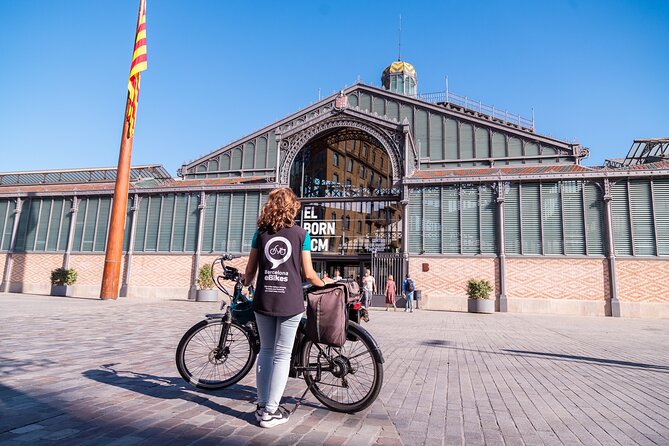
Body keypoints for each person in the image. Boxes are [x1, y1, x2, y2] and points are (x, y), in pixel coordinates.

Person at [243, 188, 326, 428]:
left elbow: (250, 271)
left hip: (263, 300)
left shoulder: (260, 234)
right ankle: (271, 411)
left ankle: (261, 407)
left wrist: (246, 283)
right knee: (282, 354)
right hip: (290, 301)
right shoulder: (302, 234)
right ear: (292, 207)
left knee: (266, 351)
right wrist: (327, 283)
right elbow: (309, 274)